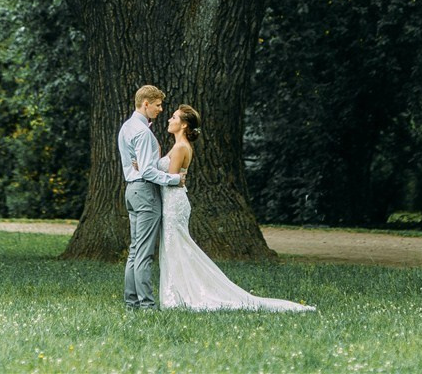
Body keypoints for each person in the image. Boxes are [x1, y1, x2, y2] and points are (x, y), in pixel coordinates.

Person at [155, 104, 314, 313]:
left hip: (173, 204)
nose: (169, 120)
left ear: (183, 124)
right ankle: (176, 290)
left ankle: (179, 293)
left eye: (174, 117)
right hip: (172, 202)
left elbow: (172, 179)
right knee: (173, 246)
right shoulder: (177, 146)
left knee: (176, 245)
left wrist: (151, 172)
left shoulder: (180, 147)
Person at [117, 84, 186, 310]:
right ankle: (146, 306)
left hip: (131, 190)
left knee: (135, 251)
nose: (161, 109)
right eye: (157, 105)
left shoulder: (126, 127)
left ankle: (131, 303)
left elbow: (140, 165)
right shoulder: (143, 133)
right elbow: (147, 171)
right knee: (144, 253)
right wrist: (174, 179)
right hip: (145, 192)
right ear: (145, 104)